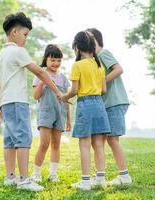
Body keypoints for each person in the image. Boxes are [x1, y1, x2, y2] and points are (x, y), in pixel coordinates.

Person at [0, 12, 63, 192]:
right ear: (14, 32)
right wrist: (56, 91)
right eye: (25, 34)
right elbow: (39, 72)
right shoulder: (18, 51)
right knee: (23, 138)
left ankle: (10, 177)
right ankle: (24, 180)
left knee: (9, 140)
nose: (25, 39)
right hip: (17, 101)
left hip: (5, 103)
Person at [62, 31, 110, 190]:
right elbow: (103, 89)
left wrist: (64, 96)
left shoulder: (77, 65)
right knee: (98, 145)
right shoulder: (99, 65)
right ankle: (101, 179)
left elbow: (74, 90)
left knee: (84, 144)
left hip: (85, 105)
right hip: (99, 105)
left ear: (76, 47)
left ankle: (85, 181)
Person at [86, 28, 132, 185]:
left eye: (89, 38)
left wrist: (101, 82)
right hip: (104, 105)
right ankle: (99, 176)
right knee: (98, 141)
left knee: (113, 140)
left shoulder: (103, 53)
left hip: (114, 102)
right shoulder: (93, 60)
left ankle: (124, 176)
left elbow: (119, 69)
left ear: (96, 39)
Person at [30, 44, 71, 183]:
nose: (56, 63)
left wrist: (69, 120)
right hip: (46, 113)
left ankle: (53, 174)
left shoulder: (63, 79)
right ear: (46, 59)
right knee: (44, 144)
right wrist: (43, 81)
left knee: (56, 145)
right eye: (53, 60)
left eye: (59, 60)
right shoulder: (39, 74)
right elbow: (35, 96)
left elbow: (66, 100)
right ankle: (36, 173)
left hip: (60, 114)